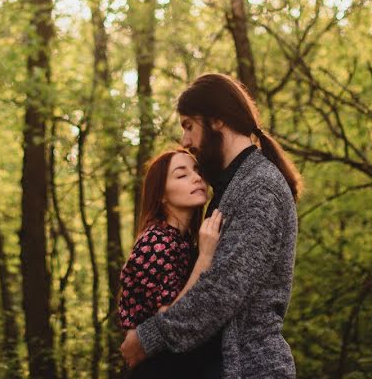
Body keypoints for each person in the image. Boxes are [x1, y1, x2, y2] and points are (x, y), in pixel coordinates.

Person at [121, 73, 304, 378]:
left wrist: (147, 338)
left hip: (252, 368)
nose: (185, 141)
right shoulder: (232, 187)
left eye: (189, 126)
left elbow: (222, 291)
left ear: (217, 120)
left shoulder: (259, 187)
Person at [117, 148, 224, 378]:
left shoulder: (181, 241)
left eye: (196, 171)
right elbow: (171, 318)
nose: (196, 178)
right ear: (162, 195)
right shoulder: (156, 240)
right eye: (181, 175)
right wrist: (205, 257)